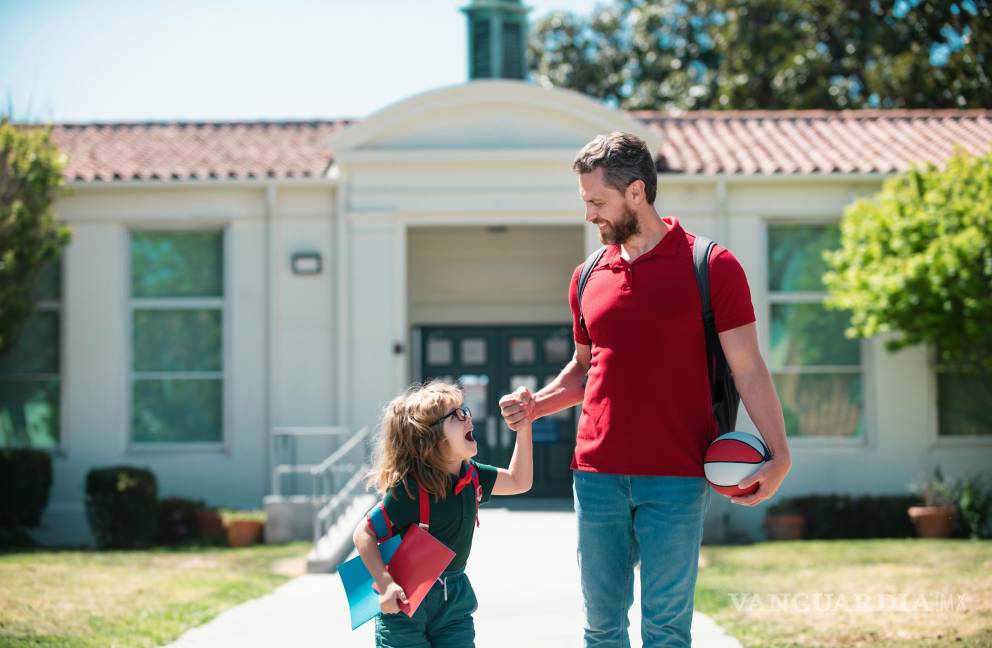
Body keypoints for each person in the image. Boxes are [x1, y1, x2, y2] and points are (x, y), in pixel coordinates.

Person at [499, 132, 792, 647]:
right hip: (595, 477)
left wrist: (780, 455)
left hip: (677, 476)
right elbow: (583, 369)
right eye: (585, 202)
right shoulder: (588, 275)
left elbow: (747, 366)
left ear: (636, 192)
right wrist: (535, 404)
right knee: (601, 628)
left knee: (666, 630)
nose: (589, 215)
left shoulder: (711, 267)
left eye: (597, 201)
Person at [353, 380, 534, 648]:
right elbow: (364, 532)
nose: (468, 417)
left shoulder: (473, 476)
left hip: (454, 599)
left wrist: (524, 426)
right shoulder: (411, 489)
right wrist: (385, 583)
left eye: (466, 410)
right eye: (458, 415)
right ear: (432, 437)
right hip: (405, 603)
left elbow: (520, 481)